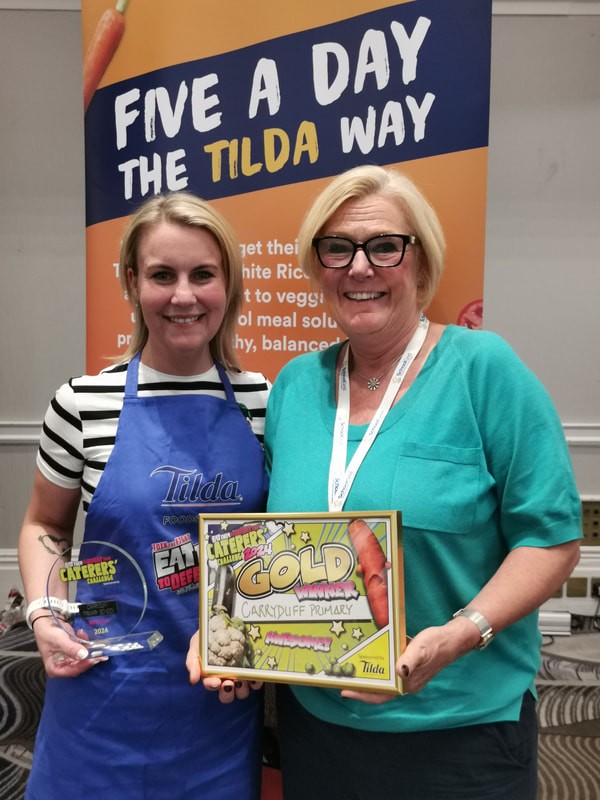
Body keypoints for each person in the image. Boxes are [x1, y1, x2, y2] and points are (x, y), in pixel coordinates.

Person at [263, 165, 582, 800]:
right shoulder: (294, 386)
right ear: (317, 266)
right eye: (337, 248)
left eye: (385, 245)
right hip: (317, 729)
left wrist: (462, 634)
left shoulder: (484, 370)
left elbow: (551, 539)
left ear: (421, 261)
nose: (360, 267)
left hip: (460, 734)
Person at [18, 191, 269, 799]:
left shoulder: (264, 402)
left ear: (228, 284)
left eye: (203, 274)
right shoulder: (82, 403)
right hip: (101, 697)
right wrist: (45, 613)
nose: (183, 295)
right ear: (132, 282)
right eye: (162, 275)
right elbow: (45, 526)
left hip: (219, 702)